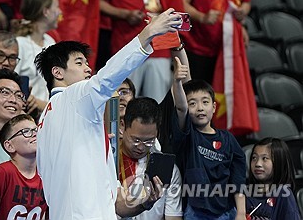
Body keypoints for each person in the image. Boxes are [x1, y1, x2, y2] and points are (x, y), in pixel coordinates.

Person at [35, 8, 181, 219]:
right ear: (57, 72)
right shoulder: (72, 97)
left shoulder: (48, 120)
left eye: (87, 63)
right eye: (79, 63)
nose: (88, 69)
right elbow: (106, 79)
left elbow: (116, 206)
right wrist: (147, 35)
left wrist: (145, 203)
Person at [173, 79, 246, 219]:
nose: (200, 108)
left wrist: (241, 212)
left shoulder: (228, 139)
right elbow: (180, 108)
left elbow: (238, 178)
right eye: (192, 103)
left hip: (227, 211)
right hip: (196, 212)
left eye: (205, 102)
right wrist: (177, 82)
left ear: (213, 107)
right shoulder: (188, 136)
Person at [119, 97, 183, 220]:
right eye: (136, 140)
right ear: (123, 126)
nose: (141, 147)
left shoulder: (168, 170)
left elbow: (173, 216)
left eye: (149, 141)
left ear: (157, 133)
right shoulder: (109, 161)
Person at [0, 114, 47, 219]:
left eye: (36, 130)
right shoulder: (4, 172)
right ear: (10, 146)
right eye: (26, 132)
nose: (34, 134)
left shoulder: (45, 175)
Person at [12, 0, 61, 116]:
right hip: (26, 115)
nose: (60, 12)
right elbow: (11, 84)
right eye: (56, 7)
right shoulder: (19, 43)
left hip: (48, 114)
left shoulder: (50, 42)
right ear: (45, 11)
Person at [246, 138, 300, 220]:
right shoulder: (244, 193)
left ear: (279, 162)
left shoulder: (284, 194)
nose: (257, 164)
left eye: (264, 158)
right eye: (254, 158)